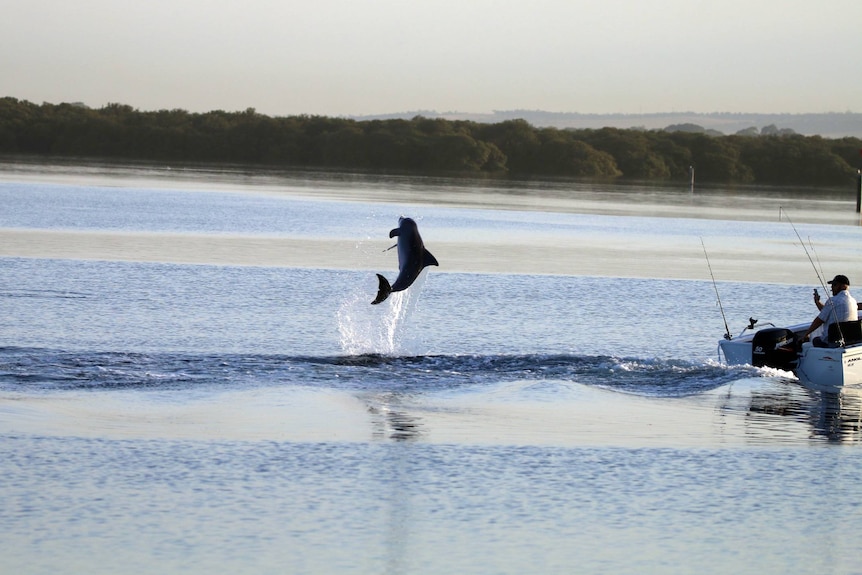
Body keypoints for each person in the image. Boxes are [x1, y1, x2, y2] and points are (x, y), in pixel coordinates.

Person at [804, 274, 858, 345]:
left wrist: (806, 334)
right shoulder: (853, 301)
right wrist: (818, 302)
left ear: (843, 286)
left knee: (814, 340)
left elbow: (819, 320)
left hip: (831, 341)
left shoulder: (833, 301)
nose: (831, 288)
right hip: (848, 340)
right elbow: (829, 313)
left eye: (834, 285)